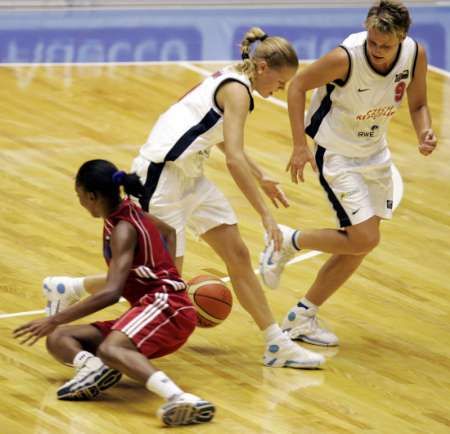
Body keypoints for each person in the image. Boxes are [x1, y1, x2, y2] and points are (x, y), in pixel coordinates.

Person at [41, 27, 325, 368]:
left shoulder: (234, 77)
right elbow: (233, 157)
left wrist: (260, 174)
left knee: (237, 254)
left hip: (191, 174)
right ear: (263, 67)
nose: (279, 89)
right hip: (160, 178)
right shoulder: (237, 90)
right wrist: (265, 216)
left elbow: (214, 135)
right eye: (280, 83)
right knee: (164, 283)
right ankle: (72, 293)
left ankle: (276, 344)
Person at [259, 0, 437, 346]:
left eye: (385, 45)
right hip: (336, 153)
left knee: (359, 244)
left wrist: (424, 132)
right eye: (372, 42)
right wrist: (300, 145)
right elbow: (297, 87)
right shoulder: (346, 57)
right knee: (365, 237)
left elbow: (418, 104)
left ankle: (302, 317)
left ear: (402, 37)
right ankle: (288, 239)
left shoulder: (415, 55)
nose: (377, 50)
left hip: (375, 153)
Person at [14, 160, 215, 427]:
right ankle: (94, 368)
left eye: (79, 197)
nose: (81, 203)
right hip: (151, 306)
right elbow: (168, 231)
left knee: (109, 347)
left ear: (92, 196)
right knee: (59, 338)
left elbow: (111, 292)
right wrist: (167, 267)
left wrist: (53, 318)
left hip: (167, 306)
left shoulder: (122, 229)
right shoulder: (127, 211)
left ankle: (180, 397)